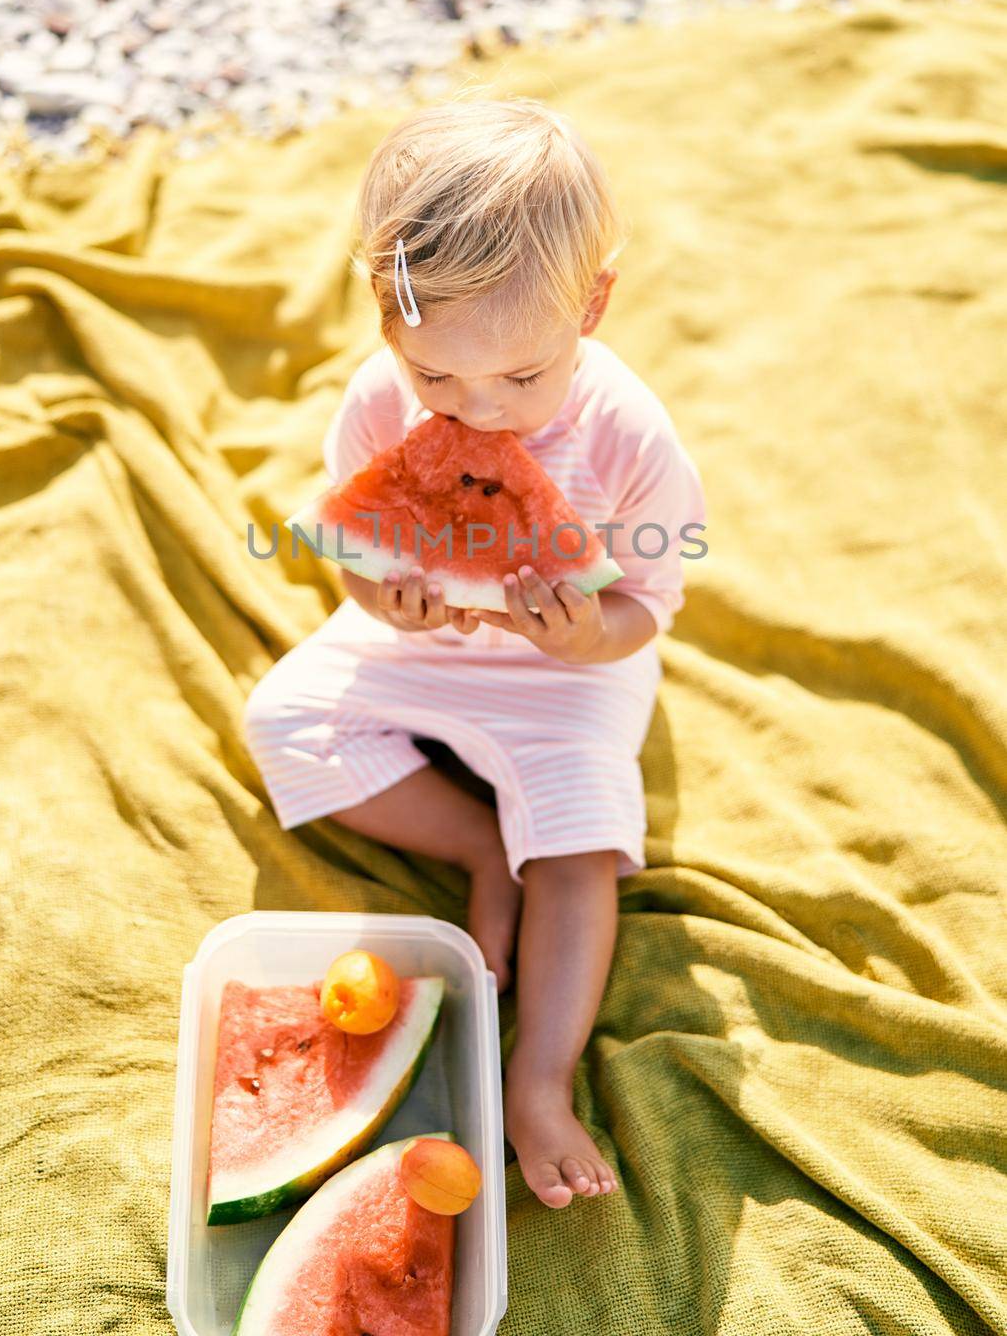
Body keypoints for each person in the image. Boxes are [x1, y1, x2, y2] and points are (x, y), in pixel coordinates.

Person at [243, 96, 707, 1208]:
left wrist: (592, 631)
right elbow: (352, 549)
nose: (478, 414)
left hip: (571, 672)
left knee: (582, 841)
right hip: (421, 648)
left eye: (520, 378)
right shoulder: (374, 402)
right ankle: (479, 848)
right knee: (281, 718)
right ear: (383, 321)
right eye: (436, 380)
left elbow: (651, 600)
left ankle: (538, 1078)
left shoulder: (627, 433)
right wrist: (382, 597)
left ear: (592, 305)